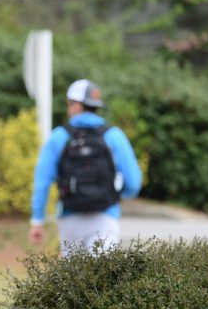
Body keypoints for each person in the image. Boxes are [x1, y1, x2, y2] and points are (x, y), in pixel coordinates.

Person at [29, 78, 142, 254]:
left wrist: (37, 219)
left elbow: (42, 182)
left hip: (69, 218)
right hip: (105, 216)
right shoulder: (113, 135)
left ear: (76, 105)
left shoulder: (59, 136)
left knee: (74, 279)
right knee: (103, 277)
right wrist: (116, 196)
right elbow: (133, 182)